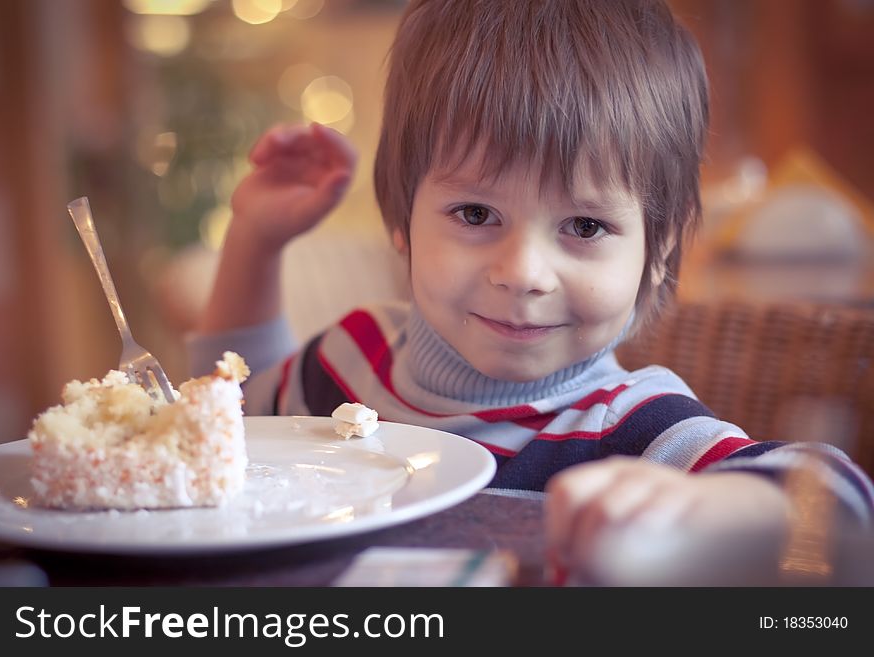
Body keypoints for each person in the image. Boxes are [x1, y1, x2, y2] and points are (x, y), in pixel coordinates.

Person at [190, 0, 873, 583]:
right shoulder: (350, 358)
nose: (523, 271)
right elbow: (232, 425)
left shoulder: (634, 426)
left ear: (658, 254)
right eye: (476, 215)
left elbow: (842, 503)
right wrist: (254, 239)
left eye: (584, 225)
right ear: (401, 221)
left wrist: (716, 510)